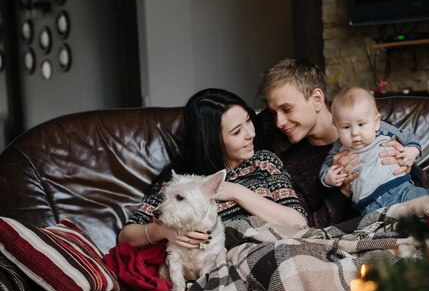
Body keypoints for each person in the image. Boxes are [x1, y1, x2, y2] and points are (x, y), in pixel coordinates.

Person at [118, 88, 308, 249]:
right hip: (230, 264)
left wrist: (237, 192)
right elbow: (126, 236)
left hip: (281, 249)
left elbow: (298, 223)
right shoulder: (182, 182)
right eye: (236, 131)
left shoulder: (264, 162)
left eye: (248, 121)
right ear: (211, 141)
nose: (250, 134)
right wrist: (163, 231)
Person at [260, 57, 419, 228]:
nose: (279, 122)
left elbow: (424, 187)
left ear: (317, 99)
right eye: (274, 113)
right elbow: (309, 228)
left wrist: (407, 164)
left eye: (286, 109)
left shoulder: (371, 127)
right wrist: (344, 190)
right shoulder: (290, 166)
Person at [320, 86, 428, 214]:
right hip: (370, 207)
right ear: (336, 126)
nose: (354, 133)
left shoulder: (384, 130)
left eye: (361, 124)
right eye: (346, 127)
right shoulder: (339, 149)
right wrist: (328, 178)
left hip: (403, 189)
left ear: (376, 122)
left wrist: (412, 150)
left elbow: (408, 136)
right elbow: (327, 166)